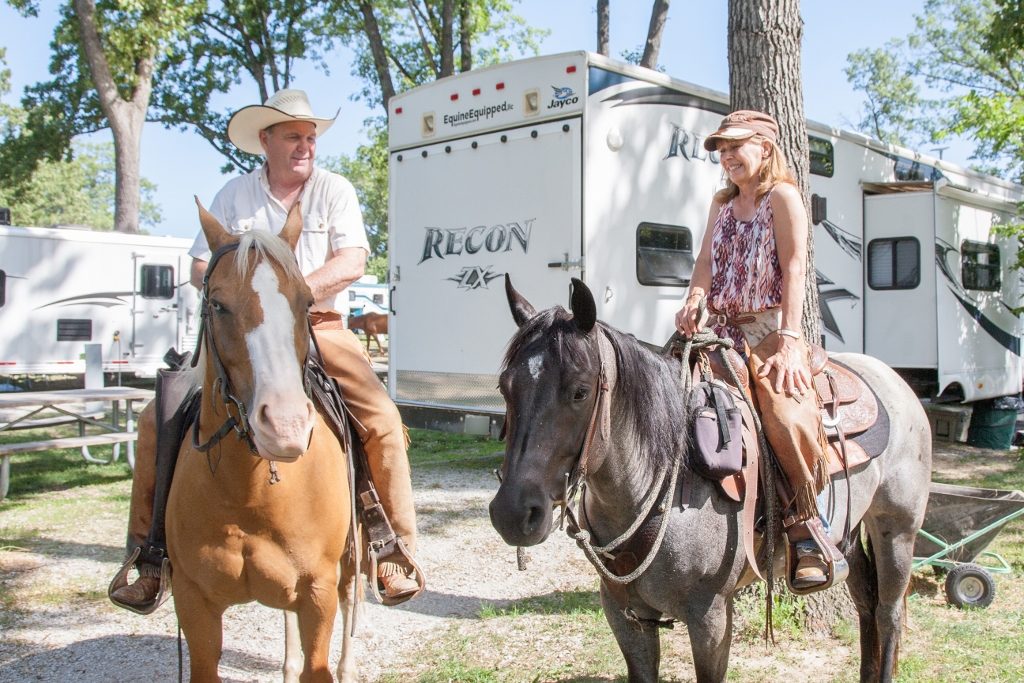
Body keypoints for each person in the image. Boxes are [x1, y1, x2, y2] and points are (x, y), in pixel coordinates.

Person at [110, 89, 422, 610]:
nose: (305, 146)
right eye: (294, 136)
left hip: (319, 325)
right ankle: (148, 553)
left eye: (311, 137)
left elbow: (352, 262)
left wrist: (289, 295)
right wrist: (243, 296)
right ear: (266, 140)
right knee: (155, 418)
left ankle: (392, 549)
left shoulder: (333, 190)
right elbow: (196, 267)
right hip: (240, 336)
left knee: (384, 420)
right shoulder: (235, 194)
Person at [675, 109, 835, 590]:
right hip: (719, 330)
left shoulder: (782, 197)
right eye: (721, 150)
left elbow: (795, 270)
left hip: (769, 328)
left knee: (783, 414)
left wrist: (789, 342)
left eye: (734, 147)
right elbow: (705, 261)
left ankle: (804, 528)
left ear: (764, 148)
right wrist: (695, 298)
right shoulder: (721, 203)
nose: (726, 157)